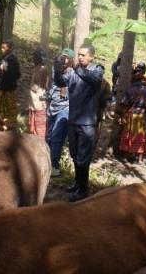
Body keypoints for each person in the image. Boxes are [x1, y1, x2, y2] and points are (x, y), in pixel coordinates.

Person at [54, 44, 104, 202]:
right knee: (75, 155)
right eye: (79, 54)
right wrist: (57, 68)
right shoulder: (73, 72)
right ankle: (77, 184)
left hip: (87, 122)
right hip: (73, 120)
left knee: (83, 157)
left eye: (84, 55)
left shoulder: (97, 69)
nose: (80, 57)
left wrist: (76, 68)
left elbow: (95, 81)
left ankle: (83, 190)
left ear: (92, 56)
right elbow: (61, 82)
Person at [46, 49, 74, 178]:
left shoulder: (72, 73)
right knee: (49, 136)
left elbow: (63, 81)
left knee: (57, 137)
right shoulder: (55, 70)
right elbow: (51, 86)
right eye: (62, 58)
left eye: (66, 58)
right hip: (52, 106)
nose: (63, 61)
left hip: (65, 108)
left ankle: (54, 166)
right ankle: (48, 163)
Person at [118, 66, 146, 163]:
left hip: (131, 115)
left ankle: (125, 157)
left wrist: (122, 115)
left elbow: (124, 103)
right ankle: (140, 159)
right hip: (141, 115)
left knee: (128, 134)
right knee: (141, 136)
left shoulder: (130, 89)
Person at [0, 39, 20, 130]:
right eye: (1, 47)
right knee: (1, 108)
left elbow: (16, 75)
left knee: (10, 109)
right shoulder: (5, 58)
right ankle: (2, 126)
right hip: (2, 88)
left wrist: (5, 70)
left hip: (9, 90)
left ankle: (9, 128)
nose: (1, 49)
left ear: (10, 49)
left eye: (4, 48)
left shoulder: (13, 60)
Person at [28, 48, 49, 137]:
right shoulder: (35, 68)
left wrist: (36, 87)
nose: (33, 58)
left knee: (40, 130)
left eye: (35, 57)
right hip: (33, 103)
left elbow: (45, 86)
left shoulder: (43, 70)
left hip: (40, 104)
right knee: (32, 129)